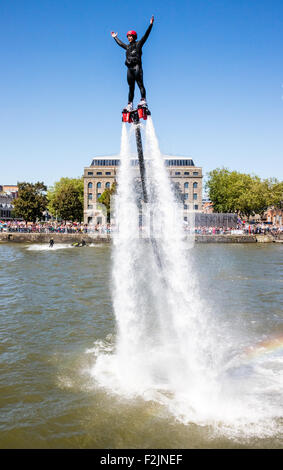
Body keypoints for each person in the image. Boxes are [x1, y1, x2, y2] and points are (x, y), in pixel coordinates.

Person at [111, 16, 154, 111]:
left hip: (137, 67)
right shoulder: (127, 47)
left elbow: (146, 35)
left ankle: (143, 100)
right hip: (129, 69)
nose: (129, 37)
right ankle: (130, 104)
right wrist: (115, 37)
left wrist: (151, 25)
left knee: (140, 84)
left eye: (131, 36)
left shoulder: (139, 44)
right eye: (128, 36)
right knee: (131, 87)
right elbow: (121, 44)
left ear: (134, 37)